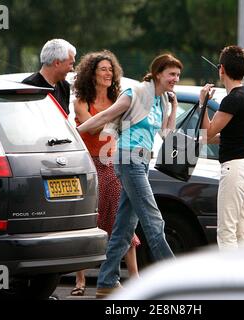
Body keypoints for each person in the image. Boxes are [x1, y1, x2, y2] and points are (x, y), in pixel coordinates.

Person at [77, 53, 182, 298]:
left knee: (124, 226)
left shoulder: (162, 99)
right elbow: (104, 116)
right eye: (171, 74)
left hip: (143, 161)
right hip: (128, 160)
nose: (175, 79)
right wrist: (71, 133)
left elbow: (167, 133)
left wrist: (175, 105)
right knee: (154, 220)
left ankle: (106, 281)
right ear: (158, 74)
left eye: (177, 74)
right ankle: (175, 279)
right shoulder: (135, 94)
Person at [70, 50, 140, 296]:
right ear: (92, 74)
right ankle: (80, 280)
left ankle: (134, 277)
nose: (108, 73)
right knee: (88, 219)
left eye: (111, 69)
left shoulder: (116, 101)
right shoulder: (81, 100)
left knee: (122, 218)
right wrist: (114, 118)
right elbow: (94, 127)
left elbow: (124, 126)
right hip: (88, 165)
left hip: (112, 164)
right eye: (103, 69)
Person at [199, 46, 244, 250]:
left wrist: (203, 104)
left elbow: (207, 133)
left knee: (226, 232)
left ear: (221, 69)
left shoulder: (232, 99)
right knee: (242, 231)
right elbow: (226, 136)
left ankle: (231, 280)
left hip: (235, 169)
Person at [22, 39, 76, 115]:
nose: (72, 69)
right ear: (57, 63)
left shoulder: (64, 86)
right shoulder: (29, 87)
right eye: (71, 64)